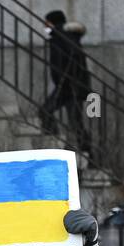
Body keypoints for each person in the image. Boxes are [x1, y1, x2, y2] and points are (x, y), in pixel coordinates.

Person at [39, 10, 90, 150]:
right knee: (72, 121)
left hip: (71, 86)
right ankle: (58, 141)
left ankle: (85, 151)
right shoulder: (60, 37)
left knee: (71, 120)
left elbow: (73, 56)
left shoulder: (63, 37)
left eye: (47, 23)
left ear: (53, 23)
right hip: (68, 85)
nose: (45, 26)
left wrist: (66, 78)